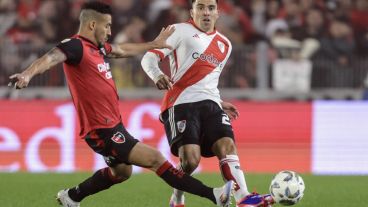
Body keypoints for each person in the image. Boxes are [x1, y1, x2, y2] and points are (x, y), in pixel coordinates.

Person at [8, 1, 234, 207]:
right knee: (156, 159)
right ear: (92, 24)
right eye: (106, 26)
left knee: (122, 172)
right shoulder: (75, 46)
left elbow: (122, 49)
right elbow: (50, 57)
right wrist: (27, 74)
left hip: (113, 125)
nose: (109, 32)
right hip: (101, 130)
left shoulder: (97, 49)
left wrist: (153, 44)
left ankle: (72, 197)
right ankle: (214, 195)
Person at [141, 0, 275, 207]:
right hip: (181, 102)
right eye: (201, 7)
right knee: (190, 161)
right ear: (192, 12)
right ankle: (177, 196)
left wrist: (218, 102)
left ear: (217, 13)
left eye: (210, 8)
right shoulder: (178, 30)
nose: (206, 12)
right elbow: (148, 59)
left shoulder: (225, 44)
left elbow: (207, 81)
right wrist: (157, 74)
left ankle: (244, 198)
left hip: (211, 104)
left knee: (226, 145)